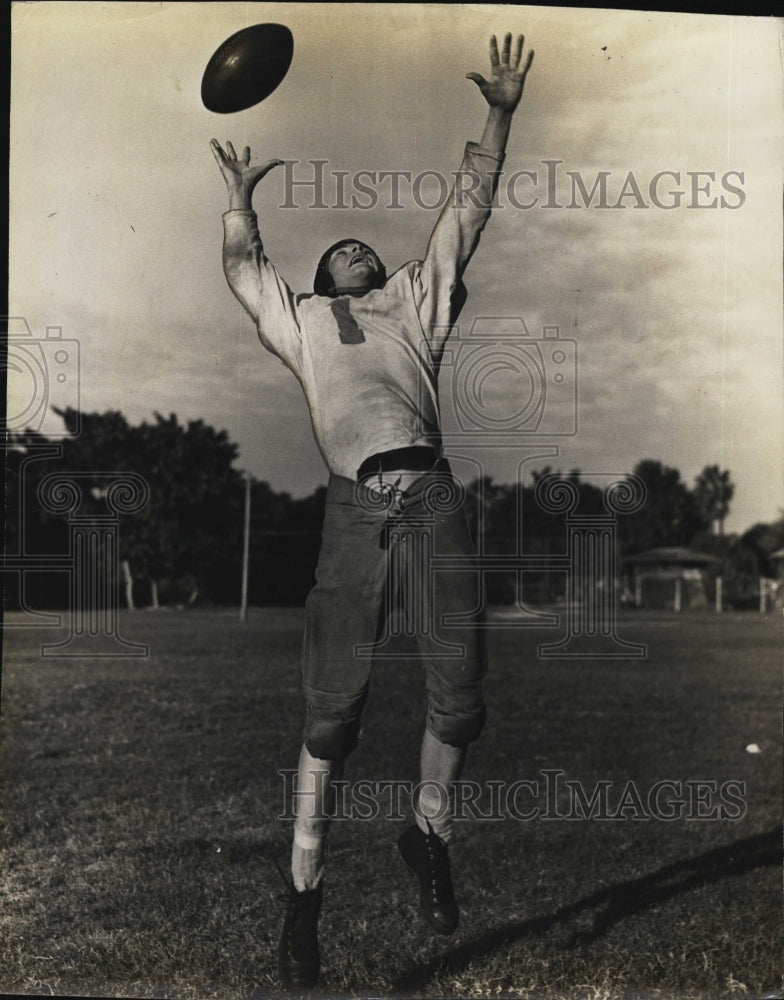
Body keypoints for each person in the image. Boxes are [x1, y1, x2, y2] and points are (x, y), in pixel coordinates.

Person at [211, 32, 534, 990]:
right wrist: (238, 204)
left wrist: (500, 114)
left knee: (463, 697)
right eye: (339, 250)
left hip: (432, 497)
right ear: (320, 283)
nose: (357, 248)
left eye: (365, 246)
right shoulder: (304, 325)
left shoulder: (415, 306)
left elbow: (463, 217)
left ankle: (427, 838)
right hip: (356, 512)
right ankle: (304, 893)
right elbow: (245, 272)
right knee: (330, 719)